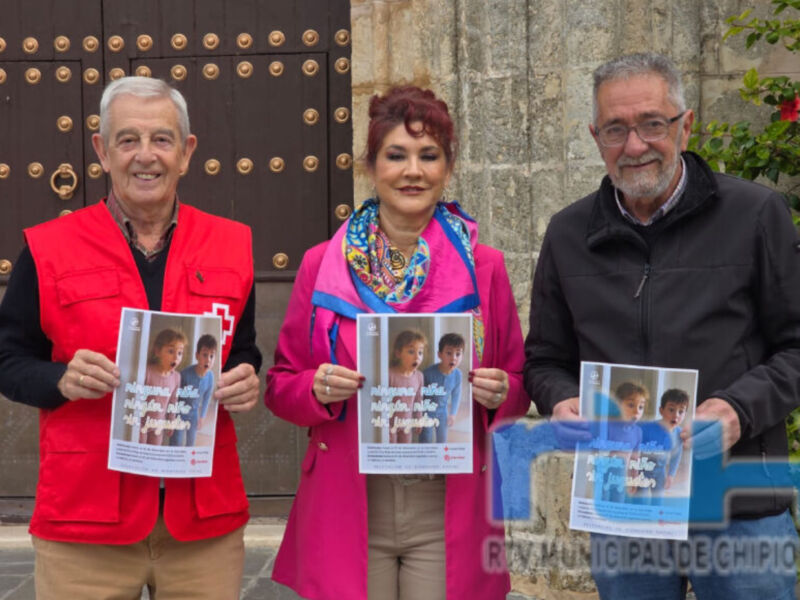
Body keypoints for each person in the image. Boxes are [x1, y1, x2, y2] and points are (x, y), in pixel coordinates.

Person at [524, 52, 800, 599]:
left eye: (652, 123)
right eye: (615, 129)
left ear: (685, 124)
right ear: (594, 135)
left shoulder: (756, 214)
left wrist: (739, 410)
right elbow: (544, 360)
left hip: (739, 502)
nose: (634, 145)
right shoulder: (567, 233)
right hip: (625, 507)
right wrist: (560, 400)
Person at [0, 76, 262, 599]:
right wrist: (60, 379)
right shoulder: (48, 248)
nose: (146, 156)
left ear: (186, 153)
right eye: (128, 140)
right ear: (102, 150)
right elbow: (7, 358)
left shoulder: (232, 245)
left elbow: (243, 350)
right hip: (86, 520)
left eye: (162, 139)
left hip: (201, 523)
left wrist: (246, 379)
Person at [265, 86, 530, 600]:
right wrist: (315, 388)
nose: (413, 171)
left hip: (445, 503)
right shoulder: (323, 264)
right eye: (397, 155)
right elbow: (280, 387)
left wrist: (502, 392)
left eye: (428, 155)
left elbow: (518, 384)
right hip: (351, 498)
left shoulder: (485, 267)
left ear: (447, 167)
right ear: (370, 166)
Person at [140, 327, 186, 445]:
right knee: (140, 451)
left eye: (180, 353)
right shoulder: (146, 371)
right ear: (157, 351)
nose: (176, 357)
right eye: (171, 351)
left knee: (153, 453)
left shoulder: (176, 377)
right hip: (141, 423)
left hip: (158, 425)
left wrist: (171, 421)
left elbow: (173, 401)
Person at [171, 334, 217, 447]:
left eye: (212, 356)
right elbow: (174, 396)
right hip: (180, 413)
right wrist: (171, 416)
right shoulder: (185, 374)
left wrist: (202, 416)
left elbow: (206, 398)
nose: (208, 360)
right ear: (197, 355)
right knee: (177, 441)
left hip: (194, 414)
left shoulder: (210, 377)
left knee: (191, 442)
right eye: (205, 355)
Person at [419, 333, 465, 443]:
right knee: (426, 438)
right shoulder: (428, 373)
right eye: (449, 353)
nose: (453, 358)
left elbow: (456, 395)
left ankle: (440, 459)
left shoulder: (458, 375)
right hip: (427, 412)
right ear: (439, 354)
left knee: (442, 440)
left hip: (442, 411)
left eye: (458, 354)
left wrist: (453, 414)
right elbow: (419, 395)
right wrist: (418, 415)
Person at [387, 329, 426, 443]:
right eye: (411, 352)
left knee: (404, 452)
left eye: (420, 352)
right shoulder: (389, 374)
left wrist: (419, 418)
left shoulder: (419, 376)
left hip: (406, 425)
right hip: (390, 425)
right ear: (398, 353)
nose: (417, 357)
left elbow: (419, 399)